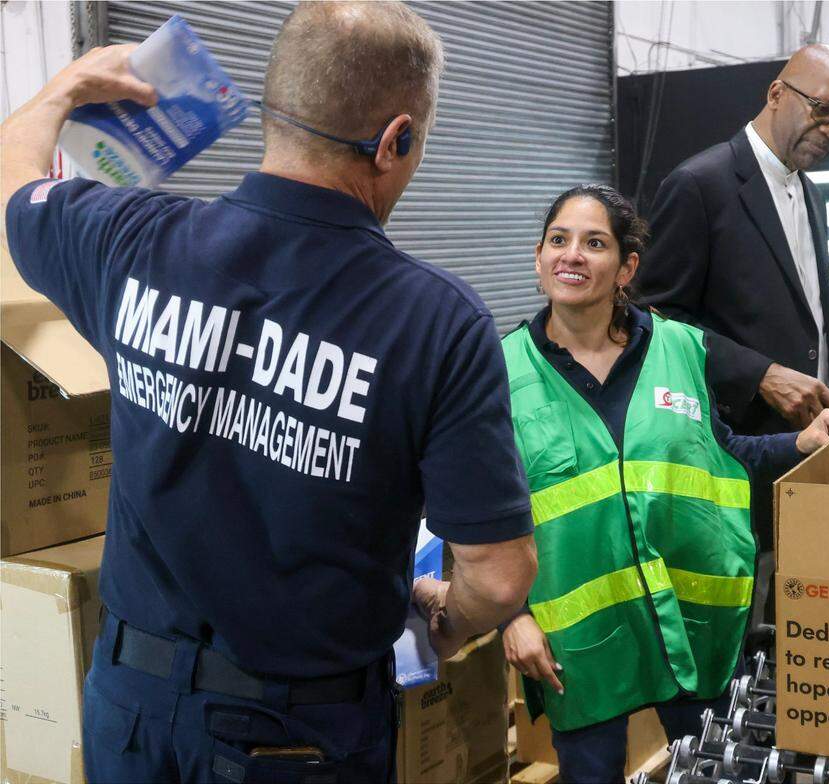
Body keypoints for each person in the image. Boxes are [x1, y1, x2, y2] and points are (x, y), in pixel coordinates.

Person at [1, 3, 538, 781]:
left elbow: (14, 175)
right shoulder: (436, 321)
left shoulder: (129, 240)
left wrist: (68, 86)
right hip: (297, 738)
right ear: (396, 141)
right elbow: (498, 574)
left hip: (130, 710)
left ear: (270, 105)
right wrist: (447, 623)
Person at [502, 185, 829, 782]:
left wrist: (800, 443)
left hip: (692, 623)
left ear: (627, 267)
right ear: (538, 258)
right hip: (581, 643)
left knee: (719, 769)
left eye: (595, 243)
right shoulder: (500, 371)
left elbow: (722, 455)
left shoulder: (680, 349)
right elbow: (482, 512)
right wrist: (511, 616)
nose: (572, 256)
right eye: (558, 240)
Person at [637, 44, 829, 626]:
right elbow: (653, 317)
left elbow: (812, 317)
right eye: (823, 109)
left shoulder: (809, 191)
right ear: (777, 93)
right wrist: (760, 375)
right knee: (743, 629)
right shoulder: (700, 184)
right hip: (739, 450)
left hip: (813, 445)